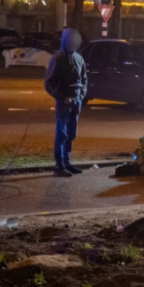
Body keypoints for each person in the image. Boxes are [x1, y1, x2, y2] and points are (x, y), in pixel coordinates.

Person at [44, 28, 88, 177]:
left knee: (71, 133)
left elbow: (84, 79)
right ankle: (59, 165)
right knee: (61, 133)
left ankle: (67, 162)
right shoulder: (57, 59)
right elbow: (48, 83)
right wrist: (62, 97)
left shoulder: (79, 58)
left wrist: (80, 95)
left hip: (76, 102)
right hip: (64, 102)